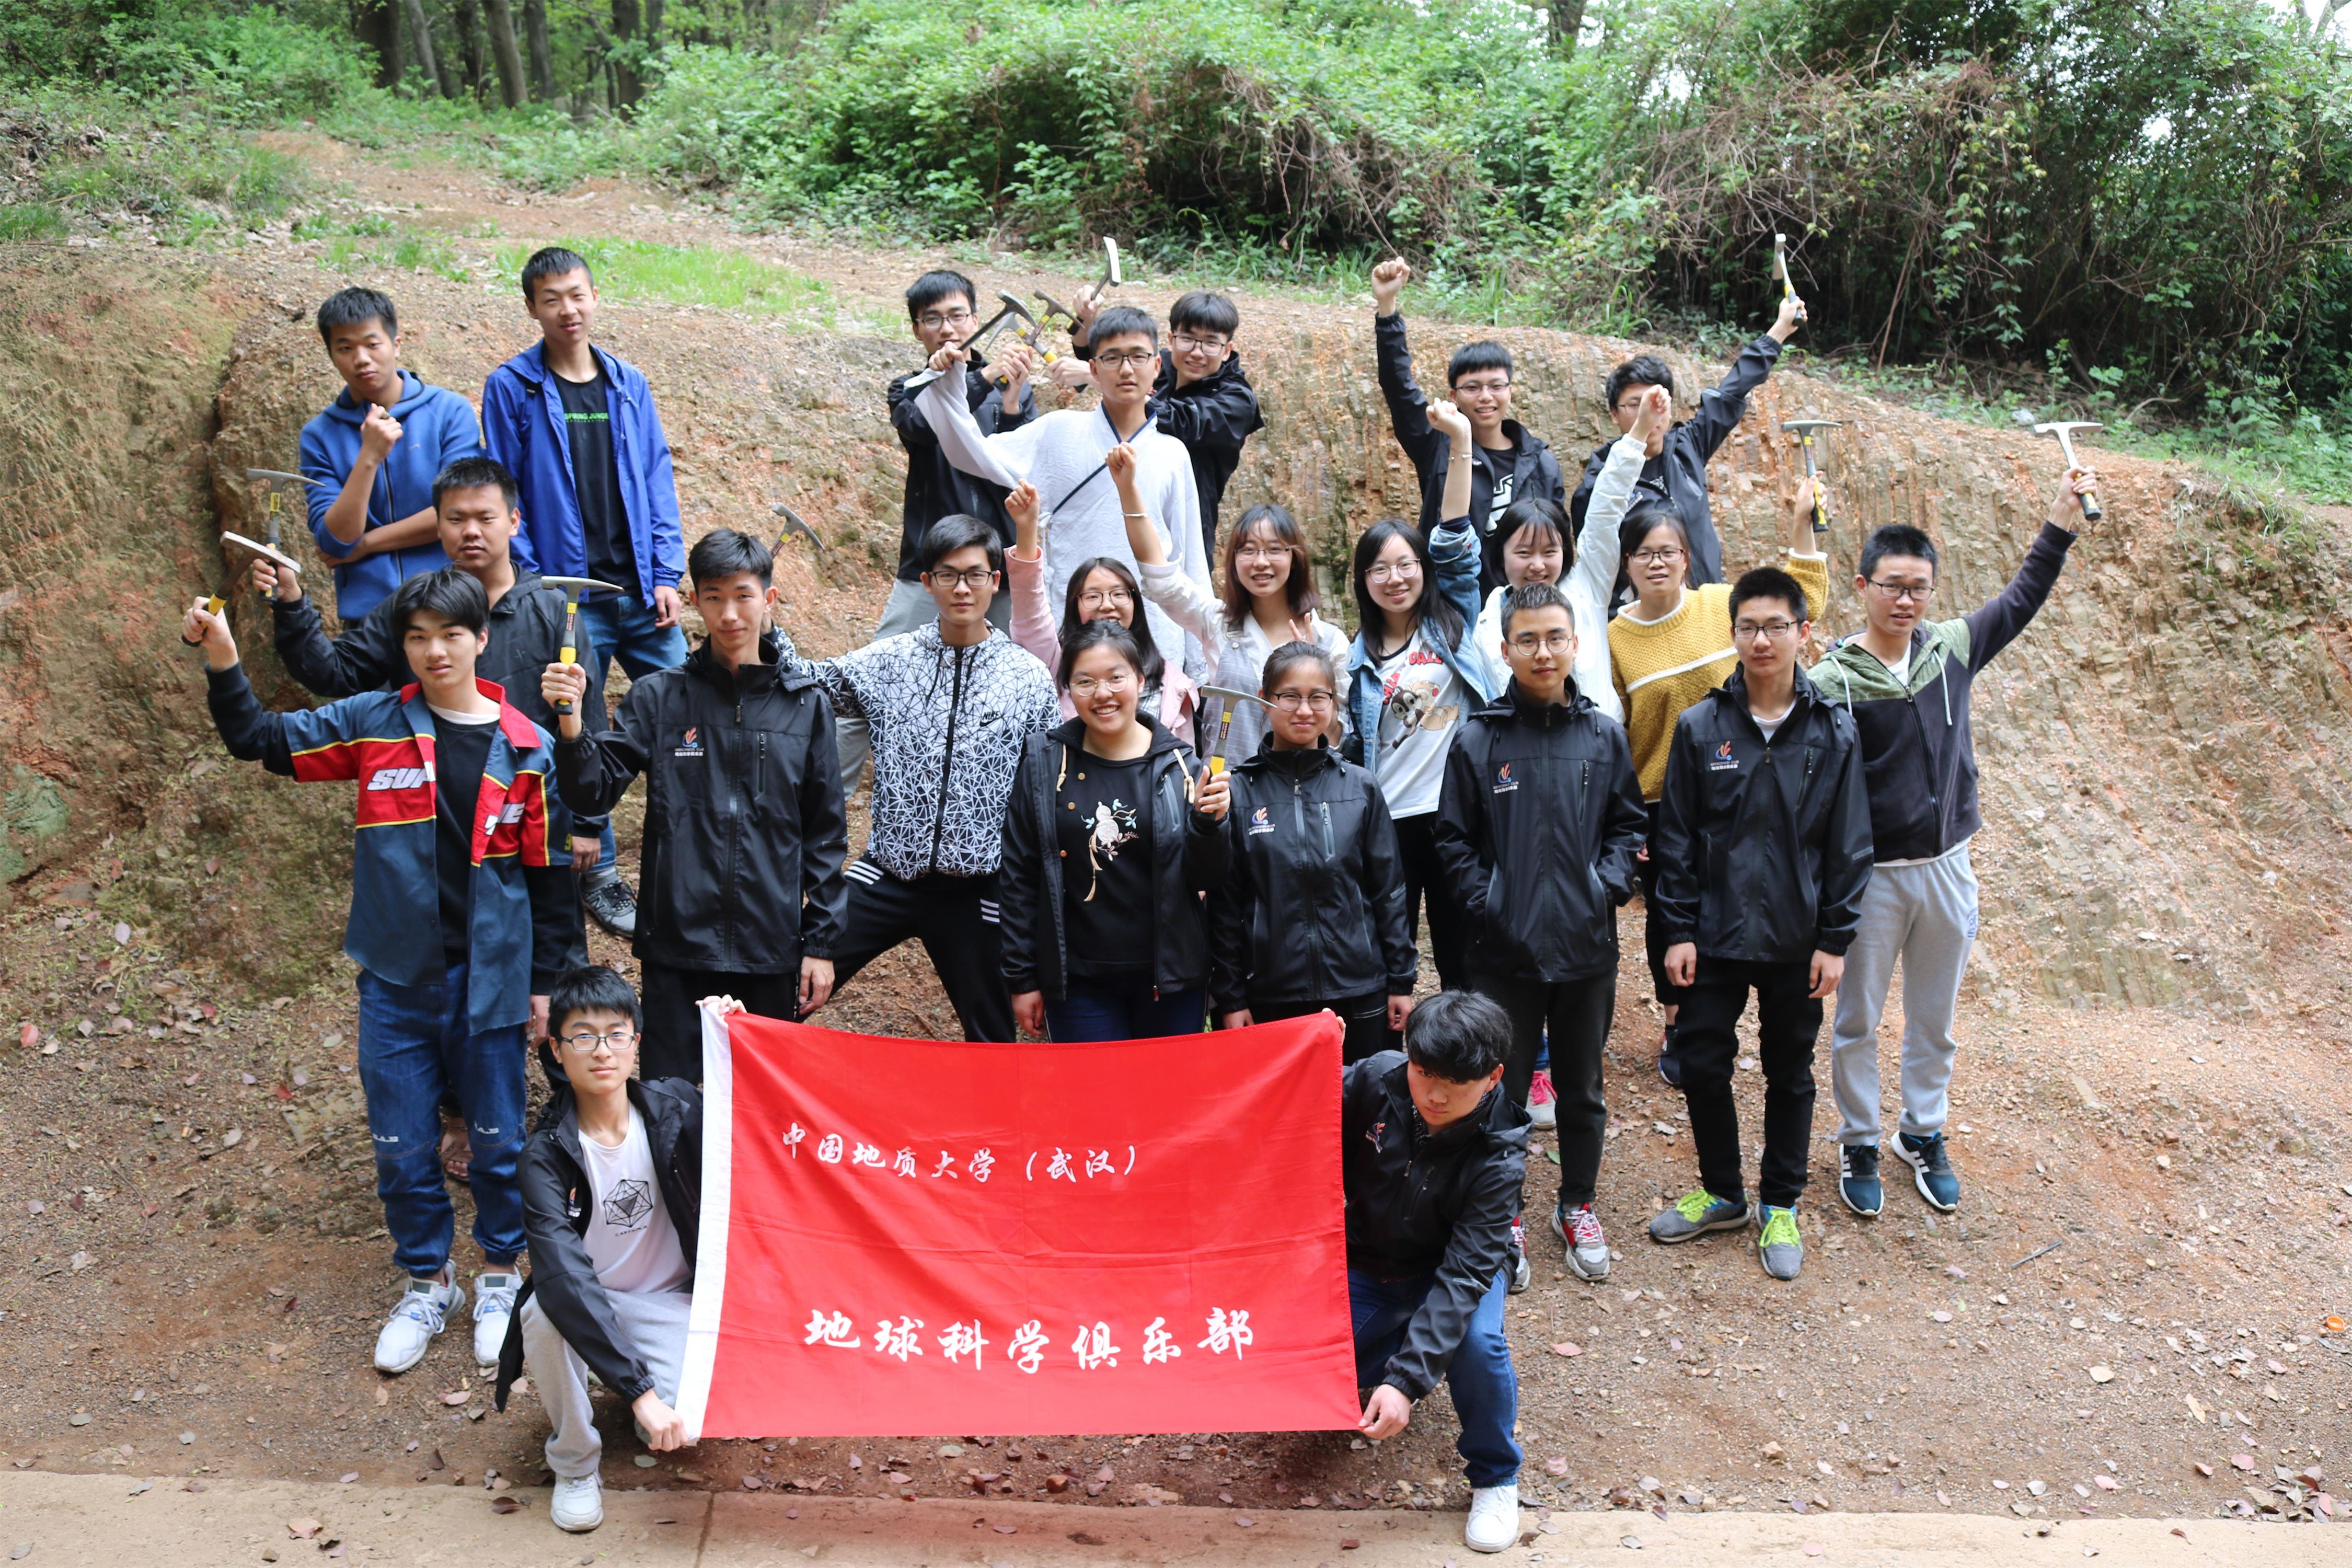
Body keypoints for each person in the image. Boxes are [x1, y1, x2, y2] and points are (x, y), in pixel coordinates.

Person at [186, 569, 580, 1373]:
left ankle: (499, 1276)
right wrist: (223, 653)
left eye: (451, 635)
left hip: (492, 982)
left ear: (481, 640)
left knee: (498, 1140)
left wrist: (546, 983)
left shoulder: (527, 746)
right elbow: (258, 739)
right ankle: (428, 1283)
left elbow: (547, 877)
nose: (435, 652)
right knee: (402, 1147)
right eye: (417, 637)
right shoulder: (374, 723)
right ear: (403, 646)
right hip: (397, 983)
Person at [1816, 468, 2096, 1217]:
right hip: (1871, 879)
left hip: (1947, 867)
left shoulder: (1952, 649)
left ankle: (1921, 1131)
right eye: (1892, 586)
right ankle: (1859, 1140)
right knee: (1857, 1020)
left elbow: (2022, 597)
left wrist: (2059, 522)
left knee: (1934, 1019)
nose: (1905, 601)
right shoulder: (1832, 681)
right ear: (1863, 586)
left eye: (1919, 588)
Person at [544, 529, 848, 1082]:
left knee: (763, 1103)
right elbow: (591, 792)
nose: (729, 614)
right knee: (671, 1100)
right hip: (676, 947)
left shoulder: (806, 707)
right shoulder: (659, 697)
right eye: (714, 597)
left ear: (769, 599)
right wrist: (571, 723)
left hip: (769, 948)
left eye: (743, 596)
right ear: (695, 602)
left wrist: (821, 944)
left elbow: (825, 835)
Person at [1647, 567, 1873, 1281]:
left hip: (1796, 938)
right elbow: (1677, 839)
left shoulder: (1833, 730)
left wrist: (1834, 939)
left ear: (1803, 633)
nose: (1762, 640)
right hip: (1712, 934)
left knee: (1789, 1072)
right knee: (1702, 1062)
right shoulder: (1701, 727)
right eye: (1749, 627)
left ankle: (1780, 1203)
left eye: (1777, 626)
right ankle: (1723, 1192)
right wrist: (1678, 931)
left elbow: (1849, 844)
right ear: (1733, 633)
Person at [1434, 581, 1647, 1283]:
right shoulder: (1478, 739)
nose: (1543, 651)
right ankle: (1505, 1214)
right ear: (1505, 650)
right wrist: (1491, 903)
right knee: (1504, 1091)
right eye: (1527, 639)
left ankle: (1577, 1203)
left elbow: (1628, 826)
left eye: (1555, 637)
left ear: (1575, 643)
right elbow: (1453, 840)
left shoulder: (1602, 736)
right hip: (1504, 956)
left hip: (1587, 951)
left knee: (1582, 1088)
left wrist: (1602, 889)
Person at [482, 246, 691, 935]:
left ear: (595, 297)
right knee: (582, 729)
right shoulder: (514, 387)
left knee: (688, 711)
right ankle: (597, 871)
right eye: (551, 299)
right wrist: (535, 584)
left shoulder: (628, 383)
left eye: (576, 295)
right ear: (532, 308)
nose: (567, 310)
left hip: (640, 594)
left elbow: (657, 480)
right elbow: (504, 492)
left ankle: (693, 854)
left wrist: (666, 575)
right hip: (569, 597)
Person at [1609, 464, 1831, 1086]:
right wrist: (1628, 817)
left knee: (1739, 901)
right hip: (1662, 800)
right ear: (1627, 565)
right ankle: (1678, 1021)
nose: (1657, 563)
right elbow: (1618, 730)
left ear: (1687, 558)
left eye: (1669, 551)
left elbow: (1802, 602)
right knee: (1670, 916)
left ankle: (1733, 1017)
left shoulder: (1719, 606)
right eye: (1644, 553)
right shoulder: (1614, 639)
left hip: (1745, 785)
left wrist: (1802, 525)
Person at [812, 516, 1062, 1042]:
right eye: (948, 575)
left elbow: (1044, 791)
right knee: (794, 982)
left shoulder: (1027, 679)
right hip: (887, 874)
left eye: (975, 575)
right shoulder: (891, 661)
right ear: (927, 582)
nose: (962, 588)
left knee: (993, 1040)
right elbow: (810, 685)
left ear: (996, 581)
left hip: (978, 890)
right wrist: (760, 629)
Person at [492, 966, 707, 1535]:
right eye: (583, 1036)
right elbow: (563, 1275)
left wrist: (734, 1035)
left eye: (616, 1034)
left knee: (697, 1421)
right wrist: (640, 1394)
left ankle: (642, 1383)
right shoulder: (545, 1156)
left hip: (670, 1303)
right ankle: (575, 1462)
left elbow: (755, 1122)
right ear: (557, 1050)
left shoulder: (676, 1108)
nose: (603, 1051)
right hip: (590, 1301)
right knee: (542, 1313)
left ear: (636, 1041)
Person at [918, 305, 1211, 678]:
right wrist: (948, 381)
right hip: (1071, 622)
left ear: (1156, 366)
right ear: (1093, 369)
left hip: (1153, 628)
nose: (1126, 369)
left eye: (1138, 357)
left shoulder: (1173, 453)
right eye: (1112, 358)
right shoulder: (1057, 431)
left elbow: (1191, 558)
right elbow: (973, 452)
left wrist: (1201, 668)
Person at [834, 270, 1039, 796]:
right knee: (868, 681)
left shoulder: (1009, 385)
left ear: (976, 319)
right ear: (917, 330)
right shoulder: (910, 389)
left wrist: (1013, 402)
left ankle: (1012, 811)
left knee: (1008, 689)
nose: (947, 328)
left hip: (998, 572)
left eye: (957, 316)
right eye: (932, 319)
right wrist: (983, 377)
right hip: (927, 571)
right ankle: (820, 807)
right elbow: (923, 427)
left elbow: (1021, 464)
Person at [1345, 989, 1526, 1555]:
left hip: (1451, 1271)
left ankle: (1496, 1477)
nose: (1436, 1095)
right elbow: (1290, 1100)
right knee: (1308, 1358)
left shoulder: (1500, 1155)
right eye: (1424, 1074)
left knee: (1476, 1344)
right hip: (1368, 1259)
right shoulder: (1375, 1079)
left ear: (1493, 1077)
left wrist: (1404, 1383)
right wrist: (1309, 1048)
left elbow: (1465, 1275)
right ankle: (1411, 1351)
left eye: (1456, 1083)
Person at [999, 621, 1231, 1042]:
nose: (1102, 693)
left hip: (1170, 982)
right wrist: (1022, 977)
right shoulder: (1044, 764)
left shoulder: (1182, 768)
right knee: (1093, 1087)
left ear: (1141, 680)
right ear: (1068, 688)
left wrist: (1208, 826)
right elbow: (1019, 875)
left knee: (1168, 1086)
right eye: (1085, 681)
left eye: (1115, 678)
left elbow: (1209, 879)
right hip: (1079, 982)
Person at [1345, 403, 1493, 994]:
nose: (1396, 578)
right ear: (1364, 581)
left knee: (1465, 954)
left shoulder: (1450, 621)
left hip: (1456, 815)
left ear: (1424, 571)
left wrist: (1460, 440)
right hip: (1389, 821)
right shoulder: (1355, 661)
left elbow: (1454, 534)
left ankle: (1473, 1051)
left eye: (1406, 564)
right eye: (1380, 569)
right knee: (1391, 957)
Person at [1208, 643, 1414, 1062]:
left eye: (1318, 697)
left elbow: (1389, 891)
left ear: (1334, 703)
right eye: (1289, 696)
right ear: (1265, 700)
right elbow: (1225, 905)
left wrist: (1400, 981)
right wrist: (1231, 997)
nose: (1304, 710)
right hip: (1271, 994)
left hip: (1359, 988)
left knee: (1363, 1095)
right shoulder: (1239, 792)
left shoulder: (1359, 787)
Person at [1568, 289, 1807, 595]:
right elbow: (1595, 561)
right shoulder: (1601, 481)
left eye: (1656, 403)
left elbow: (1732, 391)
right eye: (1635, 405)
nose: (1649, 414)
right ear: (1614, 414)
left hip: (1707, 603)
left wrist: (1780, 330)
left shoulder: (1687, 447)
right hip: (1645, 614)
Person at [1370, 258, 1564, 593]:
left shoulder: (1542, 463)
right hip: (1453, 602)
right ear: (1454, 396)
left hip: (1525, 605)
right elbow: (1398, 387)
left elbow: (1557, 541)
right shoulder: (1438, 444)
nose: (1486, 397)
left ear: (1510, 391)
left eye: (1496, 386)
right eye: (1473, 388)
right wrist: (1387, 308)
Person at [298, 286, 483, 621]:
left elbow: (459, 512)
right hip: (368, 619)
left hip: (449, 603)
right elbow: (336, 541)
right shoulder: (320, 436)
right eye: (345, 348)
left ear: (396, 345)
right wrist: (368, 458)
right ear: (331, 355)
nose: (361, 359)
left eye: (372, 344)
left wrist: (367, 544)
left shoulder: (449, 412)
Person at [1122, 497, 1352, 763]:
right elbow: (1162, 579)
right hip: (1227, 784)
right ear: (1234, 559)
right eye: (1249, 550)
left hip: (1303, 786)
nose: (1261, 562)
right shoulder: (1218, 623)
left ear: (1294, 557)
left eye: (1274, 549)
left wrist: (1314, 673)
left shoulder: (1330, 641)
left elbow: (1337, 740)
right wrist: (1127, 489)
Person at [1061, 287, 1263, 562]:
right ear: (1170, 340)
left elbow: (1183, 421)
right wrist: (1088, 319)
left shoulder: (1237, 400)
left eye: (1210, 343)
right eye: (1187, 339)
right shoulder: (1162, 368)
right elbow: (1096, 352)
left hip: (1183, 528)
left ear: (1227, 350)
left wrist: (1103, 380)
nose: (1197, 353)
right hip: (1122, 513)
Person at [1004, 456, 1199, 733]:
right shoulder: (1054, 664)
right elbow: (1031, 615)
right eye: (1093, 597)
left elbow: (1183, 755)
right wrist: (1027, 531)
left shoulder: (1172, 683)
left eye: (1119, 594)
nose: (1107, 605)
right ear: (1074, 606)